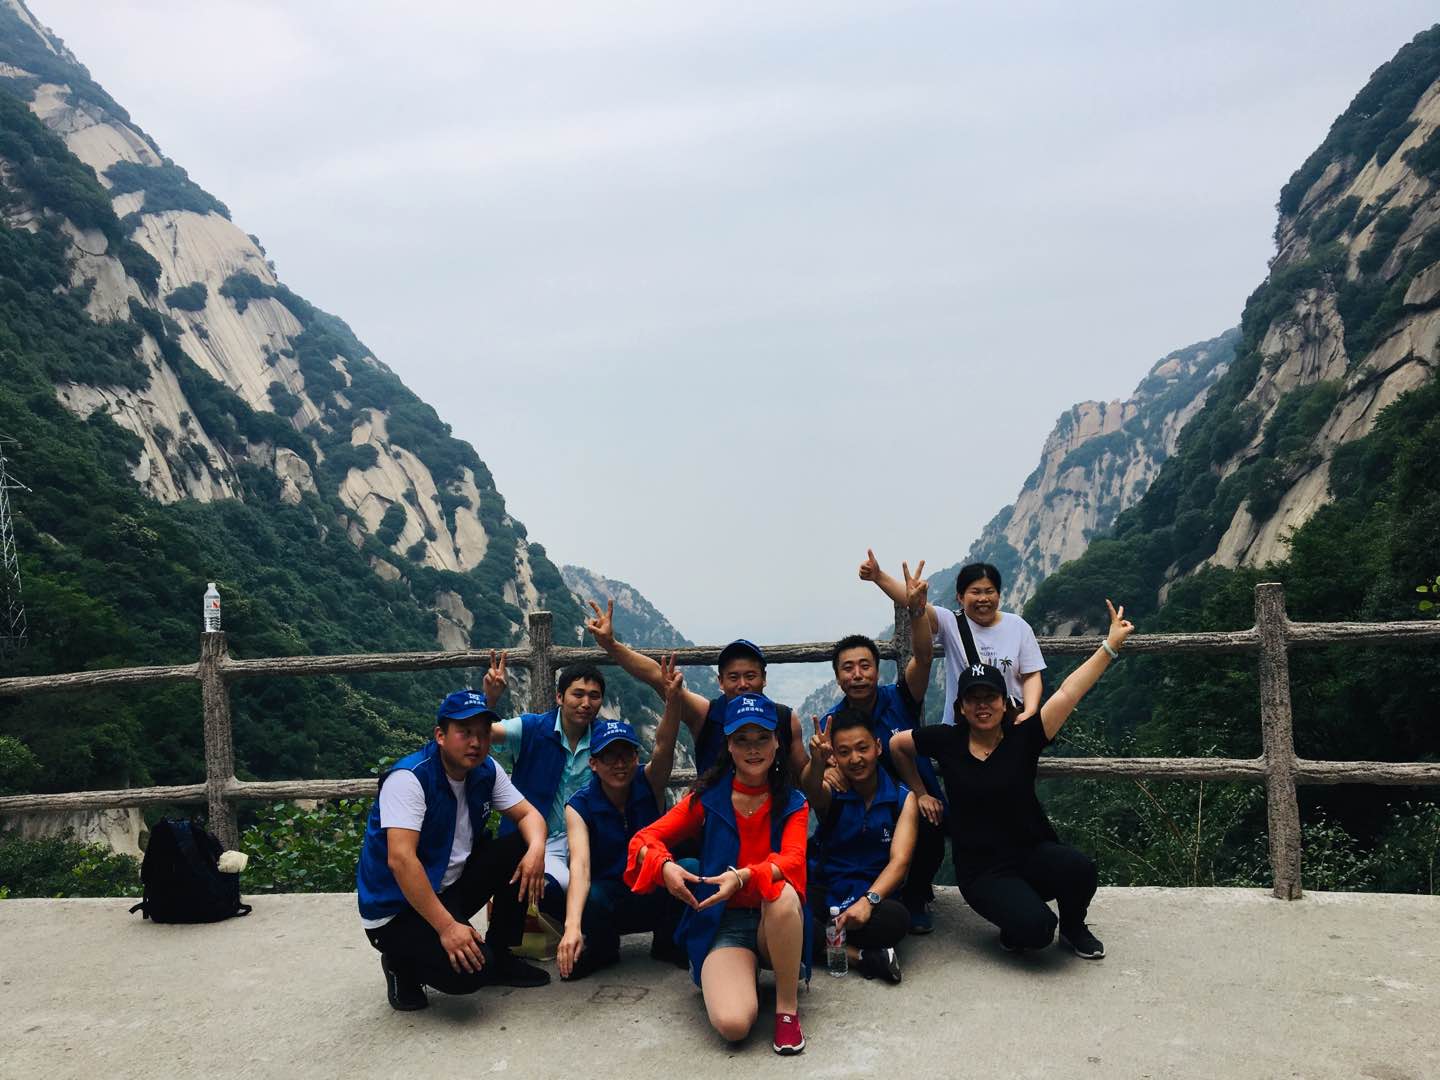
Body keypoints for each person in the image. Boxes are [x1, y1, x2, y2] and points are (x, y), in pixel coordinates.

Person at [889, 600, 1135, 960]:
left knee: (1079, 869)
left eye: (990, 697)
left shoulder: (1025, 736)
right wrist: (921, 792)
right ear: (960, 707)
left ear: (1005, 702)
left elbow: (1068, 693)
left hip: (1030, 852)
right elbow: (897, 746)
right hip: (981, 870)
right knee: (1035, 930)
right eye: (973, 699)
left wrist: (1110, 645)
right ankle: (1018, 922)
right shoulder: (947, 739)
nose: (982, 705)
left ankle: (1073, 927)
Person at [625, 694, 810, 1055]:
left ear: (777, 742)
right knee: (734, 1025)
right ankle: (740, 970)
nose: (753, 749)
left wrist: (742, 877)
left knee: (782, 892)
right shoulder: (708, 799)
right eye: (742, 739)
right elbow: (643, 840)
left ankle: (787, 1011)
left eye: (762, 738)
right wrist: (664, 865)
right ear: (729, 745)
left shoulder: (792, 802)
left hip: (775, 922)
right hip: (724, 924)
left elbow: (793, 861)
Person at [357, 689, 551, 1011]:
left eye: (483, 733)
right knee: (472, 974)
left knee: (522, 844)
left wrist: (537, 850)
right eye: (465, 732)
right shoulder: (410, 779)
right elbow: (401, 860)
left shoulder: (485, 771)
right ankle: (399, 962)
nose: (476, 742)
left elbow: (529, 815)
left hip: (446, 887)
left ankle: (502, 951)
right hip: (396, 909)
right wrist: (447, 928)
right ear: (441, 736)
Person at [809, 558, 945, 933]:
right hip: (865, 807)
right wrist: (827, 767)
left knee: (931, 820)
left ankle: (915, 894)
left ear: (877, 669)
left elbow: (924, 657)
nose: (858, 675)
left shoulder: (900, 697)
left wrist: (916, 610)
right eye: (848, 668)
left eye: (865, 666)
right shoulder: (833, 723)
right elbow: (819, 775)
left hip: (912, 795)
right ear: (838, 677)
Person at [557, 655, 686, 981]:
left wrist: (672, 701)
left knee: (692, 867)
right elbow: (579, 867)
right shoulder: (579, 806)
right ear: (593, 763)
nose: (619, 764)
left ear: (635, 757)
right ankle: (602, 949)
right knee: (590, 895)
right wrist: (571, 928)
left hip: (655, 889)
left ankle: (668, 943)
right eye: (609, 756)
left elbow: (664, 745)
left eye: (626, 754)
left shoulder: (649, 781)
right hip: (611, 900)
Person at [584, 600, 809, 781]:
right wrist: (611, 644)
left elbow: (804, 777)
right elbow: (655, 675)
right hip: (712, 817)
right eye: (733, 677)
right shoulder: (706, 715)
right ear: (720, 682)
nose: (743, 684)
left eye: (750, 676)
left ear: (764, 679)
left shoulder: (785, 719)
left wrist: (820, 762)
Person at [481, 654, 605, 950]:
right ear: (560, 697)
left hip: (586, 838)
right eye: (578, 694)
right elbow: (483, 734)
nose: (586, 703)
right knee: (554, 888)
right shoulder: (532, 729)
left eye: (594, 696)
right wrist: (490, 699)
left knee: (600, 889)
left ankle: (586, 934)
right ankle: (571, 933)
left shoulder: (604, 739)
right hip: (539, 839)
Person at [802, 702, 919, 984]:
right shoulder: (833, 790)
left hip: (872, 891)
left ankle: (818, 943)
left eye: (862, 748)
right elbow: (812, 789)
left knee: (896, 921)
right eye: (844, 752)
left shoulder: (902, 799)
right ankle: (860, 956)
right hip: (826, 887)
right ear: (834, 757)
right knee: (789, 914)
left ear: (877, 747)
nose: (855, 759)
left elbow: (900, 862)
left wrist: (868, 902)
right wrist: (817, 762)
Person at [861, 553, 1046, 726]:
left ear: (998, 595)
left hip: (1010, 726)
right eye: (975, 592)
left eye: (989, 591)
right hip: (961, 730)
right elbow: (916, 603)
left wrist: (1029, 711)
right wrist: (879, 577)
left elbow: (1031, 674)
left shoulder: (1017, 626)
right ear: (960, 597)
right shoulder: (952, 623)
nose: (983, 598)